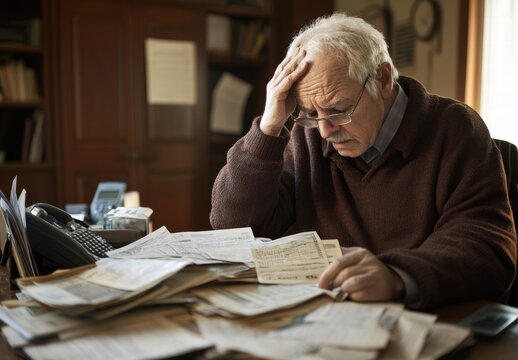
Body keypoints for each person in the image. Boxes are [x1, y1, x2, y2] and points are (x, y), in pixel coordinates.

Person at [210, 13, 517, 310]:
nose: (326, 131)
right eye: (311, 114)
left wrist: (397, 276)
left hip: (427, 318)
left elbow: (487, 247)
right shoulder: (309, 136)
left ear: (383, 79)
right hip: (327, 318)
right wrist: (269, 127)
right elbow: (233, 226)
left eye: (338, 108)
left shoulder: (455, 129)